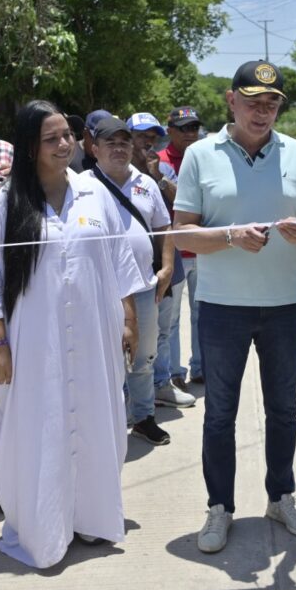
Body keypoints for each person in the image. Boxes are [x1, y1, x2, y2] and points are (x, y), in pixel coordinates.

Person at [0, 101, 145, 569]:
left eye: (68, 135)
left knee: (94, 420)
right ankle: (44, 527)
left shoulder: (94, 193)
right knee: (40, 425)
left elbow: (119, 262)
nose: (65, 144)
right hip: (34, 342)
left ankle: (91, 519)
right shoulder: (5, 204)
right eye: (53, 139)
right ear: (30, 147)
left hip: (93, 336)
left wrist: (129, 318)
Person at [174, 61, 296, 554]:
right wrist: (231, 237)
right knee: (220, 413)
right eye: (253, 102)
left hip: (285, 305)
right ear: (230, 100)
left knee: (285, 410)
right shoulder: (199, 155)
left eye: (272, 103)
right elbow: (181, 234)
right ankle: (220, 508)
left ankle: (281, 497)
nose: (263, 112)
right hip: (222, 308)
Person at [77, 116, 175, 444]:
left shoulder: (145, 183)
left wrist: (168, 267)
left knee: (143, 357)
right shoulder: (81, 185)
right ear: (94, 148)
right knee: (106, 359)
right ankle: (112, 419)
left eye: (124, 142)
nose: (119, 148)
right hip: (99, 293)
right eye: (110, 143)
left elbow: (164, 227)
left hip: (144, 288)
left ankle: (144, 416)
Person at [127, 112, 193, 410]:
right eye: (141, 136)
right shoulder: (113, 171)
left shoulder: (163, 168)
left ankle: (161, 382)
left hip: (167, 261)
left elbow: (185, 205)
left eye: (152, 137)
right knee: (132, 332)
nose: (147, 143)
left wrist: (159, 178)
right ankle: (131, 397)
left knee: (165, 329)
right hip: (132, 268)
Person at [161, 105, 207, 389]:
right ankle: (174, 372)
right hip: (175, 251)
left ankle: (200, 368)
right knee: (172, 319)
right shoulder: (159, 161)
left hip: (203, 248)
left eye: (194, 128)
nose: (190, 134)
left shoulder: (204, 158)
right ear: (170, 132)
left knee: (203, 314)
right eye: (184, 128)